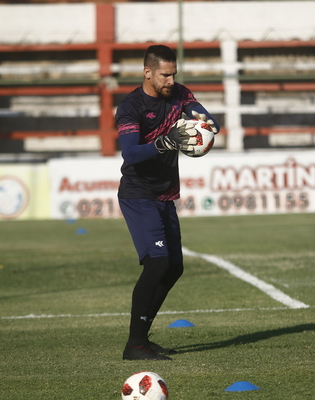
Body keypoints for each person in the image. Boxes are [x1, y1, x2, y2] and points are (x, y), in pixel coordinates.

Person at [115, 44, 220, 360]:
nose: (171, 80)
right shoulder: (131, 106)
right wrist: (164, 142)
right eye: (165, 75)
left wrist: (205, 127)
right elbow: (130, 153)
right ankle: (134, 345)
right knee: (157, 263)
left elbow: (209, 121)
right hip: (138, 194)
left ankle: (142, 339)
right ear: (147, 72)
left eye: (174, 74)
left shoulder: (180, 94)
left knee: (174, 267)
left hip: (165, 195)